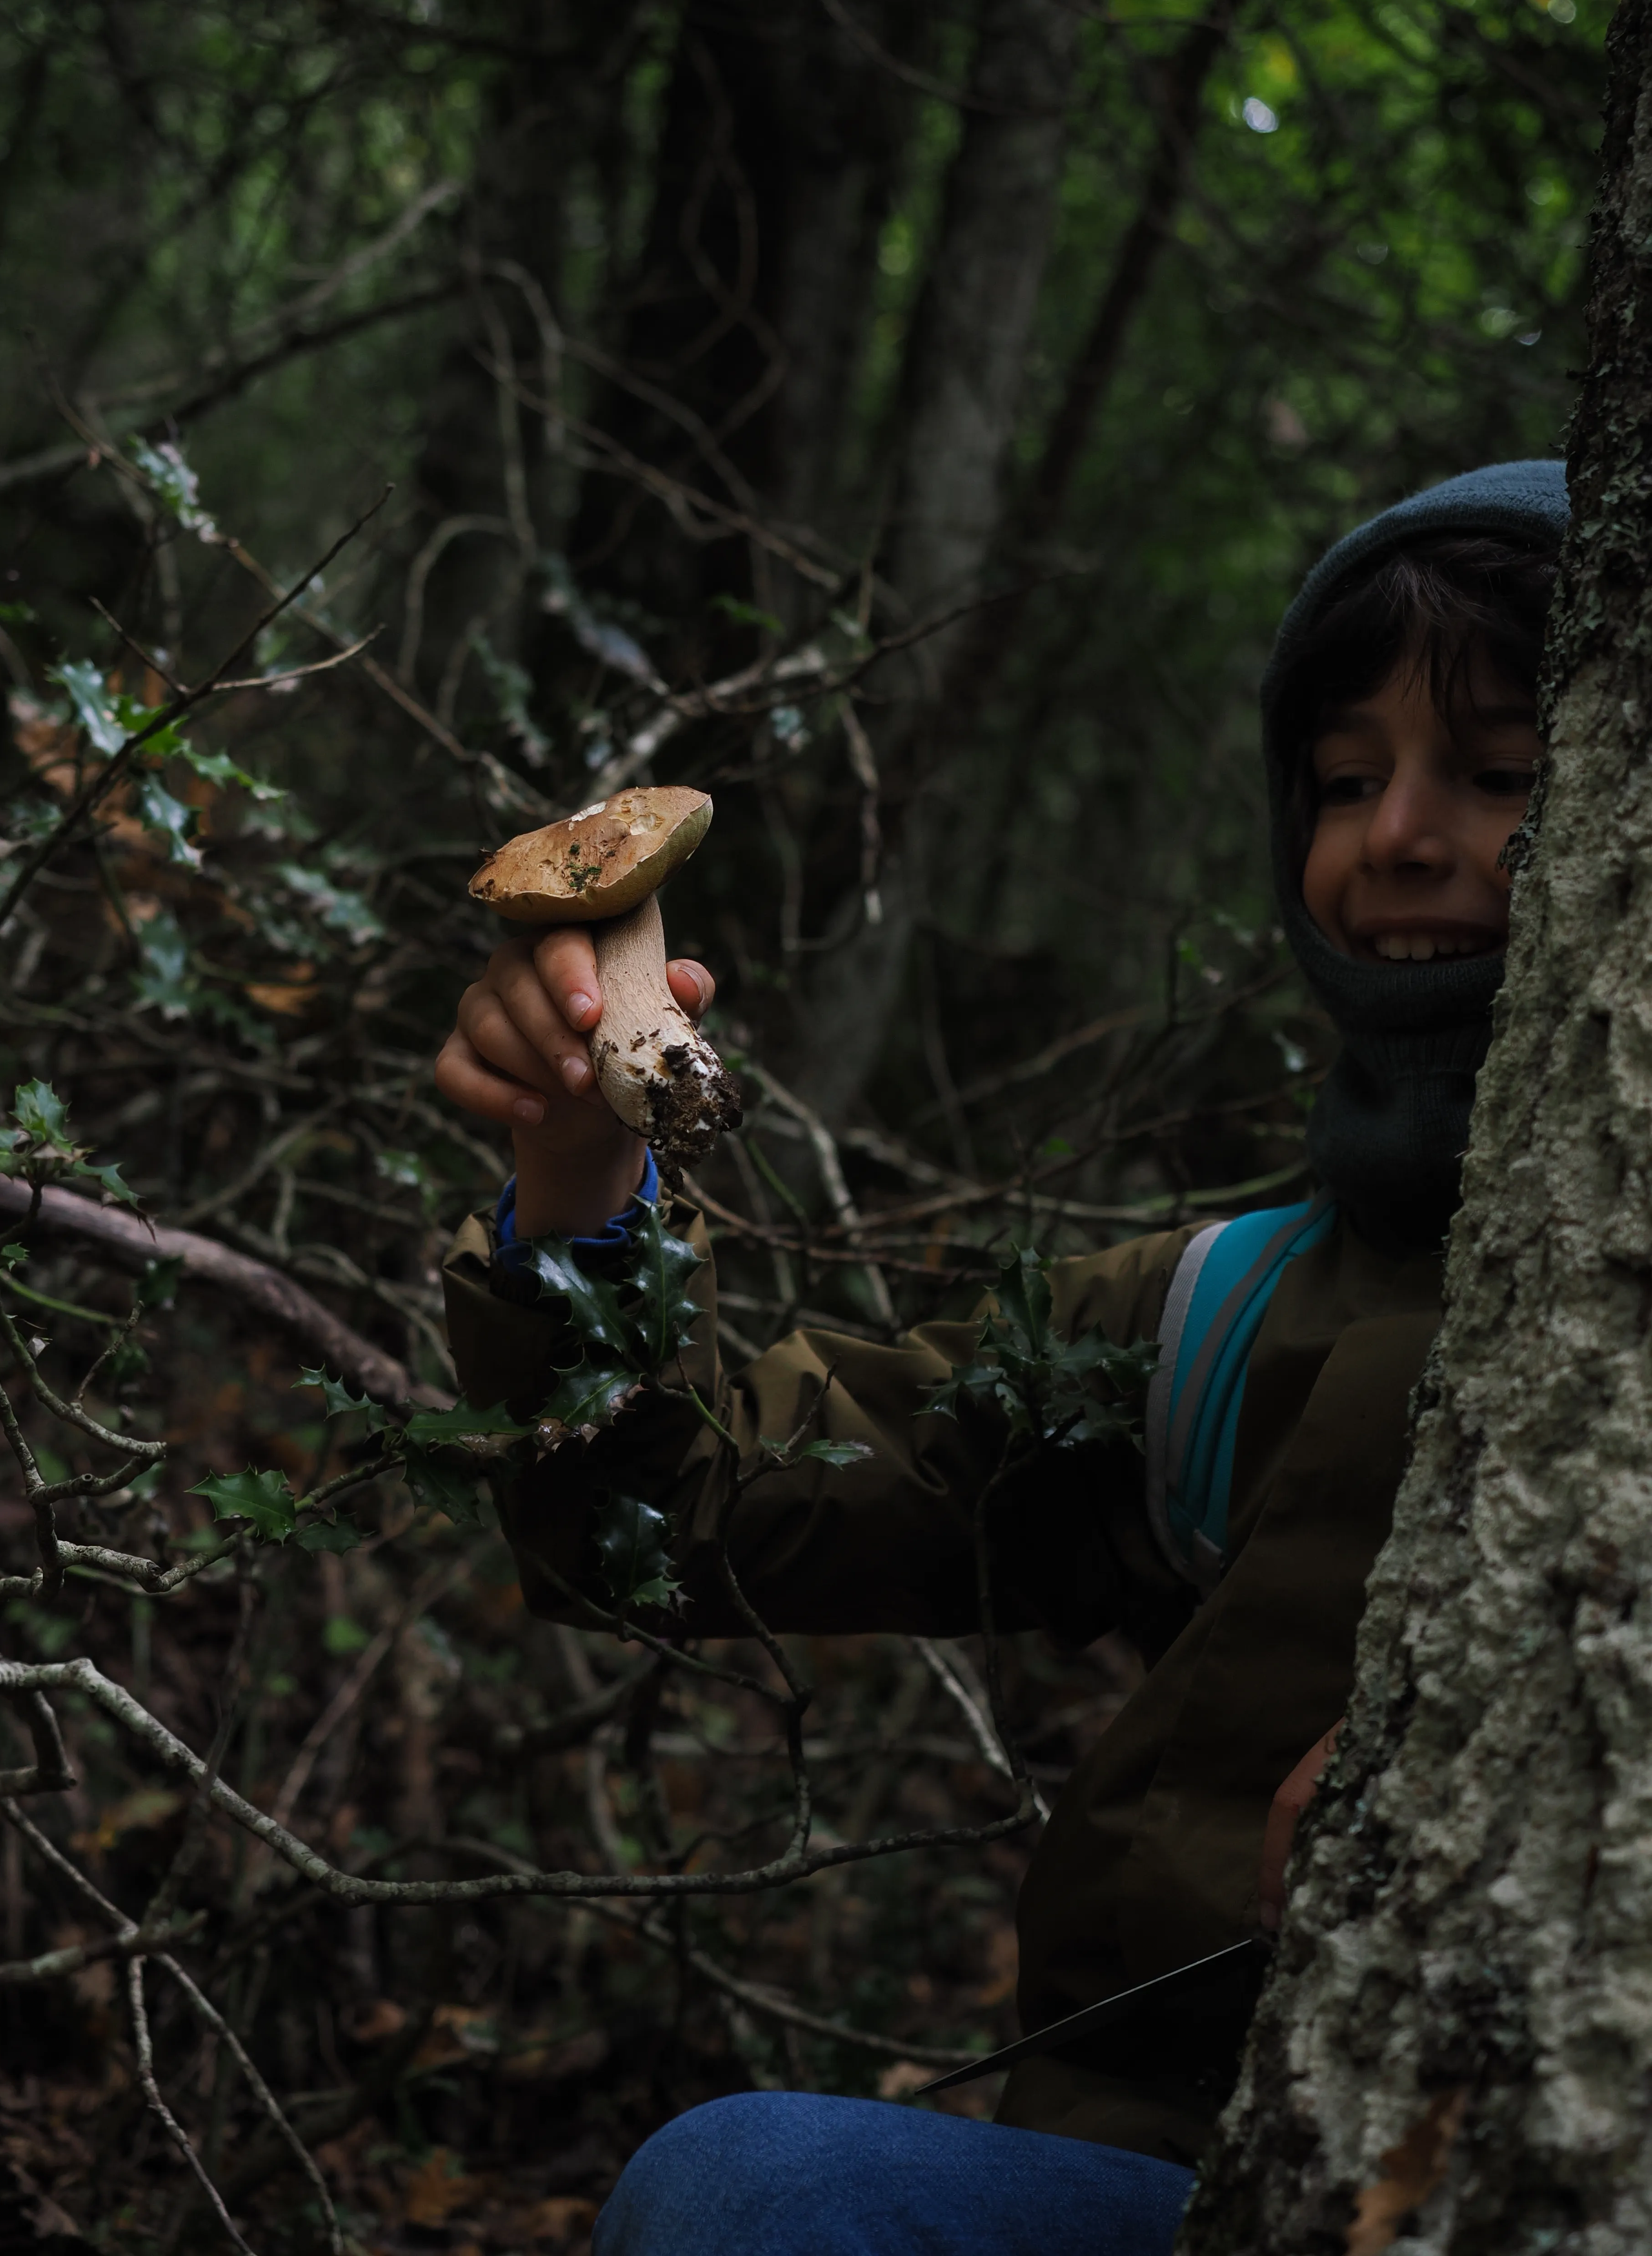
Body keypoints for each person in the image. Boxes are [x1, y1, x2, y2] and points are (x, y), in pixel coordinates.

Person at [432, 460, 1566, 2254]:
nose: (1399, 839)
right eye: (1346, 781)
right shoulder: (1224, 1317)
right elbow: (677, 1512)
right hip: (1185, 2178)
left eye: (1502, 775)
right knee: (753, 2194)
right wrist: (580, 1192)